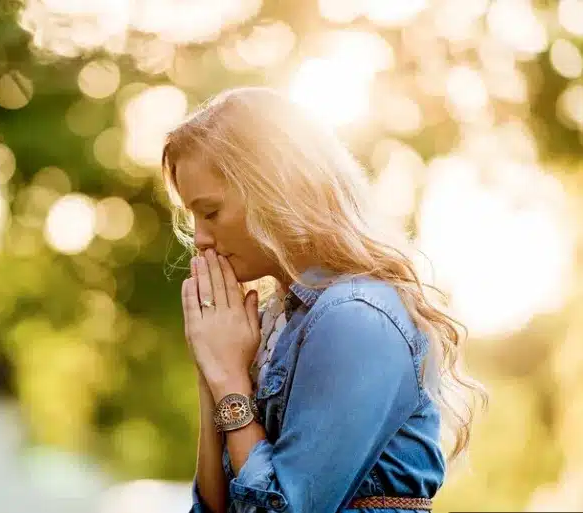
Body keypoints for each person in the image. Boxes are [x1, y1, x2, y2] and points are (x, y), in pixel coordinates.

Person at [159, 87, 488, 513]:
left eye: (211, 212)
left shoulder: (355, 318)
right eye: (193, 217)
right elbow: (214, 508)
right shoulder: (275, 322)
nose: (200, 239)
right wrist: (214, 369)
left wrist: (230, 383)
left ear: (272, 188)